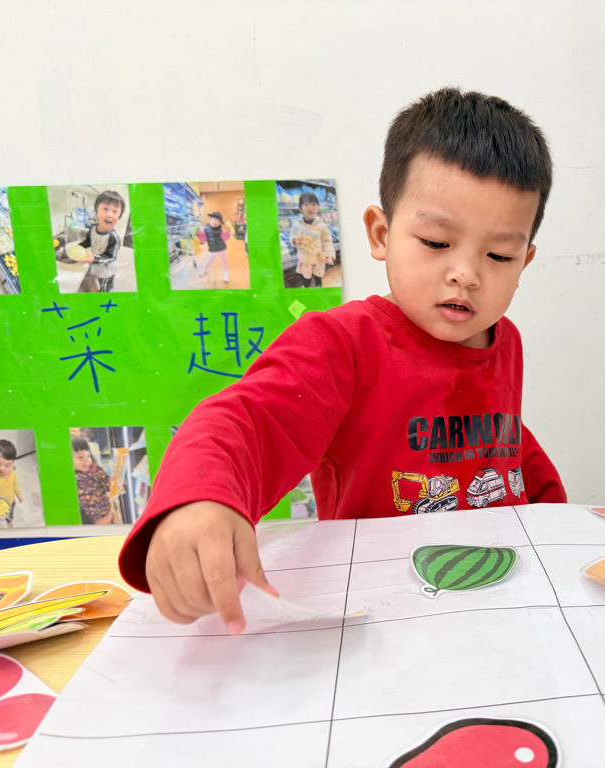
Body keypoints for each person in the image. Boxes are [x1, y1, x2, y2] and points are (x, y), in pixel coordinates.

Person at [119, 87, 566, 634]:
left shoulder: (504, 340)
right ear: (381, 234)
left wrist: (552, 512)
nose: (466, 274)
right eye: (435, 242)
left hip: (495, 594)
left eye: (499, 255)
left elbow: (501, 439)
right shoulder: (340, 344)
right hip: (381, 608)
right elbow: (247, 421)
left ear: (525, 260)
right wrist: (200, 498)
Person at [78, 190, 125, 293]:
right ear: (96, 212)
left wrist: (93, 258)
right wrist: (80, 246)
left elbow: (111, 257)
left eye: (115, 212)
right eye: (105, 209)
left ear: (119, 217)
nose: (109, 215)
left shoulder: (113, 237)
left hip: (107, 272)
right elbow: (88, 241)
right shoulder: (92, 229)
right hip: (96, 267)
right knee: (95, 283)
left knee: (104, 290)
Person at [289, 192, 336, 287]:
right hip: (305, 260)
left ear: (318, 207)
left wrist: (330, 255)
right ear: (300, 208)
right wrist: (294, 240)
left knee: (318, 279)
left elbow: (327, 242)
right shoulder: (297, 225)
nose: (310, 208)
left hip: (318, 259)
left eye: (314, 204)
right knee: (306, 280)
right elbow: (292, 236)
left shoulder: (322, 226)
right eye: (306, 204)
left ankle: (318, 289)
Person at [72, 436, 114, 525]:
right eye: (80, 457)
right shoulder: (71, 478)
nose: (87, 460)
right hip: (90, 522)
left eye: (88, 456)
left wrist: (112, 482)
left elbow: (107, 485)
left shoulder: (96, 470)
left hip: (105, 514)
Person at [0, 440, 23, 528]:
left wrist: (19, 495)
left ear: (13, 463)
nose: (2, 468)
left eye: (7, 465)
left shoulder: (13, 475)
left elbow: (15, 485)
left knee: (10, 514)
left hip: (11, 501)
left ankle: (9, 521)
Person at [196, 212, 231, 284]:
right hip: (213, 250)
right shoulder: (206, 229)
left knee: (225, 262)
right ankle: (204, 270)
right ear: (210, 219)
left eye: (218, 221)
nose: (216, 222)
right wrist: (198, 233)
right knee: (209, 261)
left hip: (221, 249)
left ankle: (226, 274)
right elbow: (204, 238)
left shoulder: (220, 229)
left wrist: (229, 231)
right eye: (215, 219)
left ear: (220, 223)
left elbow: (224, 237)